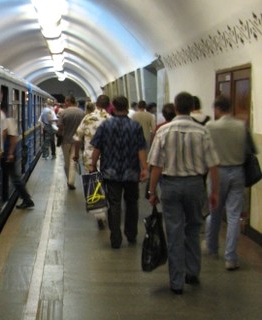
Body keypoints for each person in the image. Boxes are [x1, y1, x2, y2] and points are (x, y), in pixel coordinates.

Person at [147, 91, 219, 295]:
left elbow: (156, 166)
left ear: (176, 108)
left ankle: (176, 281)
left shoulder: (163, 131)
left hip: (171, 186)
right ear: (192, 107)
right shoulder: (202, 131)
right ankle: (193, 272)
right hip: (196, 185)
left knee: (174, 232)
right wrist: (214, 191)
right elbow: (213, 164)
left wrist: (152, 191)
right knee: (193, 229)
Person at [90, 95, 148, 248]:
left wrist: (92, 164)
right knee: (132, 203)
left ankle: (115, 238)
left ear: (113, 107)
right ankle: (131, 234)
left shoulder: (105, 125)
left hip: (111, 171)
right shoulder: (135, 126)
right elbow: (140, 148)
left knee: (114, 204)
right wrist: (144, 168)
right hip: (131, 171)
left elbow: (97, 147)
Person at [205, 95, 247, 271]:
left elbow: (206, 149)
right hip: (237, 171)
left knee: (214, 211)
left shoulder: (210, 126)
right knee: (233, 216)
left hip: (217, 171)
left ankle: (212, 248)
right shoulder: (241, 126)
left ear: (217, 109)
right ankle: (230, 257)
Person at [73, 95, 110, 228]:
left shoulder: (88, 118)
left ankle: (99, 214)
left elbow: (77, 138)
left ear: (96, 104)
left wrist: (76, 155)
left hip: (89, 157)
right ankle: (109, 209)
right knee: (107, 184)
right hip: (107, 158)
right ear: (108, 104)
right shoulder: (110, 119)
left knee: (94, 185)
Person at [1, 103, 34, 209]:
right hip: (7, 152)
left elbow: (13, 138)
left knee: (15, 178)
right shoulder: (7, 118)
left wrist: (10, 153)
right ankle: (26, 199)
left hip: (8, 152)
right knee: (13, 177)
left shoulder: (9, 119)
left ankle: (27, 199)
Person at [57, 95, 85, 189]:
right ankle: (71, 181)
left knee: (67, 162)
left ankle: (69, 180)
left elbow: (60, 126)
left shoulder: (63, 112)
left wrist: (59, 134)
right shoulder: (82, 113)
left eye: (65, 101)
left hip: (66, 140)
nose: (65, 103)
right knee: (73, 160)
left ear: (69, 101)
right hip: (77, 141)